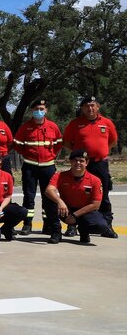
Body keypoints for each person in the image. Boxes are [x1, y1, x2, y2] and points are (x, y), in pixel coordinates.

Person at [63, 95, 118, 235]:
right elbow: (67, 143)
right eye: (87, 106)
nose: (90, 108)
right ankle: (72, 226)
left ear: (98, 107)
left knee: (103, 194)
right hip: (81, 165)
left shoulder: (107, 123)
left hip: (100, 164)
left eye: (93, 105)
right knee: (75, 193)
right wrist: (78, 156)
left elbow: (113, 142)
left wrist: (101, 152)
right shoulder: (75, 124)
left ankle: (107, 225)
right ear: (82, 108)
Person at [12, 98, 61, 235]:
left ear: (46, 110)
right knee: (29, 196)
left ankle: (48, 224)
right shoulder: (25, 127)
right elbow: (17, 144)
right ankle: (27, 224)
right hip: (30, 166)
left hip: (48, 167)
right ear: (32, 111)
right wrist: (27, 154)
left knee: (49, 197)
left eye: (41, 109)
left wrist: (51, 154)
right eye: (36, 109)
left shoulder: (53, 126)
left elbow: (58, 143)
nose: (39, 111)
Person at [45, 149, 114, 245]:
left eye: (81, 161)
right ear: (70, 162)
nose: (78, 163)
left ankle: (84, 231)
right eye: (75, 160)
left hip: (84, 212)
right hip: (65, 210)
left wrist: (75, 215)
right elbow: (49, 190)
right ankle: (56, 232)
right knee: (49, 200)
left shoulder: (95, 180)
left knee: (101, 226)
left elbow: (95, 205)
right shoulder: (60, 176)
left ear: (87, 163)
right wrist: (60, 201)